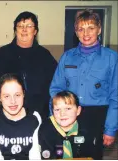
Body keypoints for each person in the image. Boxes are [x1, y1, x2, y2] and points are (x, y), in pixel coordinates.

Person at [49, 9, 117, 159]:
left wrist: (110, 129)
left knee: (91, 156)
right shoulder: (67, 57)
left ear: (99, 29)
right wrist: (53, 120)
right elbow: (55, 89)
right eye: (81, 29)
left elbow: (115, 96)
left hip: (97, 117)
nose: (86, 33)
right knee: (66, 155)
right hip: (68, 116)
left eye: (91, 28)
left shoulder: (112, 58)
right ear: (76, 32)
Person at [0, 11, 57, 120]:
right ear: (15, 30)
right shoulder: (1, 55)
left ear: (35, 31)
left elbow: (54, 89)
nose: (24, 29)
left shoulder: (45, 56)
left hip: (39, 117)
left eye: (29, 26)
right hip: (6, 118)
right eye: (20, 26)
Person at [0, 73, 41, 160]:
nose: (13, 101)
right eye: (6, 96)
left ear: (23, 94)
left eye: (17, 95)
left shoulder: (35, 118)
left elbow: (35, 156)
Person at [39, 91, 96, 159]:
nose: (62, 114)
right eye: (57, 110)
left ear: (78, 110)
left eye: (68, 108)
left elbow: (88, 156)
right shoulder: (45, 131)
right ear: (53, 112)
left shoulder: (86, 130)